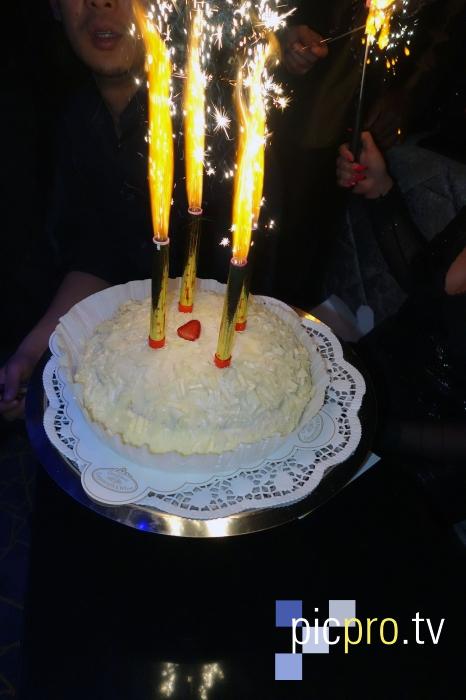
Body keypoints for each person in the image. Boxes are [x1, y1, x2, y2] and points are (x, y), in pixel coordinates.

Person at [0, 0, 328, 421]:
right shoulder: (67, 118)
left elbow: (255, 289)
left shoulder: (222, 122)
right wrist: (33, 351)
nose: (102, 2)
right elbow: (96, 256)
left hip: (216, 400)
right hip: (124, 384)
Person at [336, 131, 466, 463]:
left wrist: (366, 430)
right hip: (374, 368)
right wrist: (379, 189)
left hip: (422, 454)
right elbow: (426, 284)